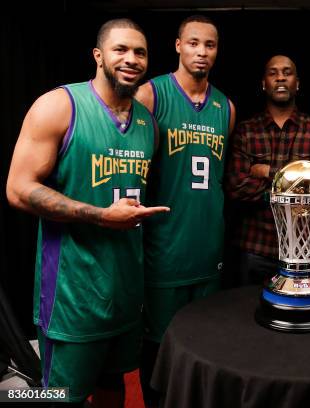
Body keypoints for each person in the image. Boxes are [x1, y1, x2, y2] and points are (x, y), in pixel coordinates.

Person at [5, 19, 169, 407]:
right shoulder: (59, 105)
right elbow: (18, 189)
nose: (131, 59)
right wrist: (98, 215)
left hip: (125, 293)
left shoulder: (148, 123)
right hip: (72, 297)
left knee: (114, 387)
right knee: (63, 396)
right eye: (121, 50)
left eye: (140, 52)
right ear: (98, 56)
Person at [134, 14, 235, 408]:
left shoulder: (225, 107)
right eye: (193, 43)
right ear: (178, 46)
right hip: (164, 248)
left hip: (208, 246)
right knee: (158, 347)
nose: (201, 52)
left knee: (205, 343)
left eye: (209, 45)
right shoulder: (151, 94)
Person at [226, 55, 310, 284]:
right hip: (254, 248)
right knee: (244, 315)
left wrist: (266, 171)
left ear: (298, 83)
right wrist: (298, 184)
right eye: (273, 73)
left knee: (300, 316)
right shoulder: (247, 131)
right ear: (264, 84)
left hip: (304, 250)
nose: (281, 77)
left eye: (287, 72)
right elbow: (236, 187)